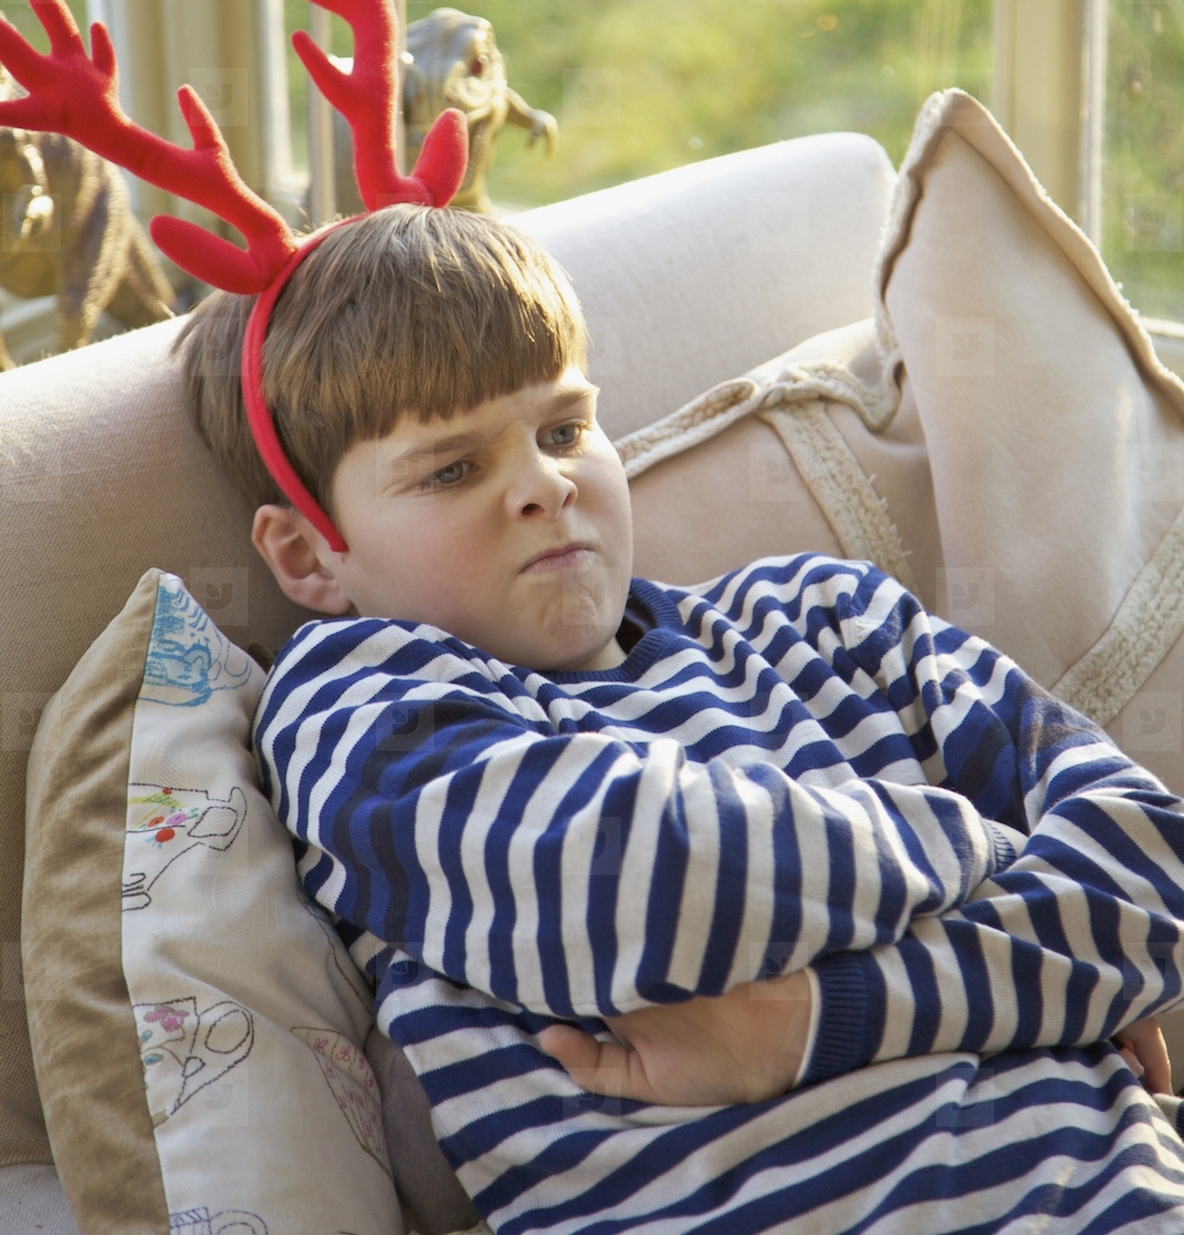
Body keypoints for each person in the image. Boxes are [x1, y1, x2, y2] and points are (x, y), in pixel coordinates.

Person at [177, 201, 1184, 1235]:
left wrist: (802, 1021)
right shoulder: (358, 702)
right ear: (308, 554)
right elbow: (660, 883)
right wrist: (1016, 883)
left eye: (563, 427)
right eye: (451, 468)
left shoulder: (825, 614)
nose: (543, 484)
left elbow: (1154, 856)